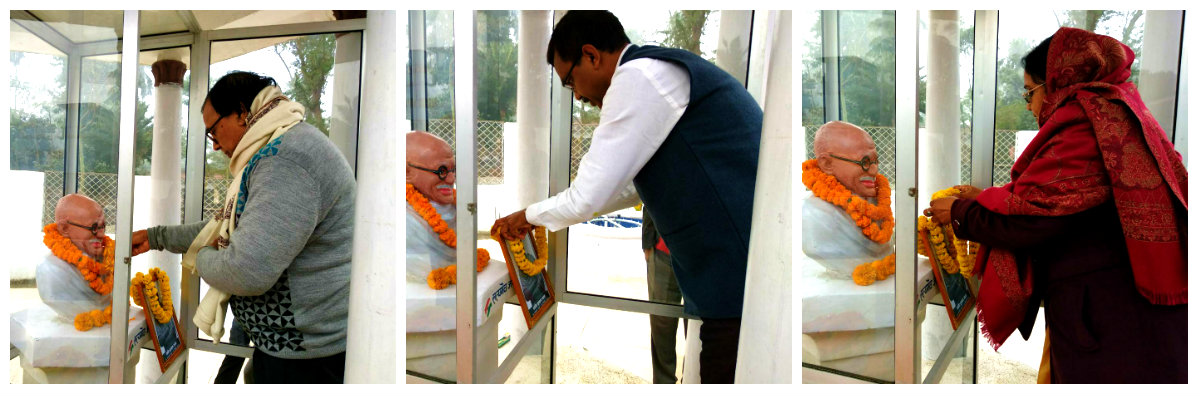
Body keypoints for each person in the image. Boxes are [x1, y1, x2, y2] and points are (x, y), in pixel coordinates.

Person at [491, 10, 762, 383]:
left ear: (591, 55)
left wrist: (526, 216)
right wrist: (544, 214)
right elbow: (624, 188)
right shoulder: (653, 72)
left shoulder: (638, 77)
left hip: (736, 266)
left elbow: (587, 196)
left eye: (570, 82)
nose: (579, 96)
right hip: (730, 267)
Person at [925, 27, 1187, 383]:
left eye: (1029, 92)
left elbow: (1036, 220)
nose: (1029, 105)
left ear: (1057, 82)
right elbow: (1060, 196)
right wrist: (985, 198)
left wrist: (960, 214)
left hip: (1106, 315)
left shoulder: (1084, 123)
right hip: (1137, 308)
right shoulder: (1120, 111)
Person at [131, 71, 356, 384]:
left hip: (304, 359)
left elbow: (245, 272)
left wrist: (201, 256)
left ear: (240, 112)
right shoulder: (277, 146)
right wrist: (157, 237)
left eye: (213, 131)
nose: (214, 146)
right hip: (287, 347)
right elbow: (222, 227)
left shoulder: (286, 159)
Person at [800, 121, 894, 284]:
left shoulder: (876, 203)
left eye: (875, 161)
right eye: (864, 162)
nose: (874, 170)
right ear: (827, 164)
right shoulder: (815, 215)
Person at [37, 194, 113, 326]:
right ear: (64, 228)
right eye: (94, 228)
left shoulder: (107, 258)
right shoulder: (51, 269)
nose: (101, 234)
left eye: (103, 227)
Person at [641, 208, 685, 384]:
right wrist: (647, 242)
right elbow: (649, 197)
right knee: (661, 328)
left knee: (699, 332)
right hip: (662, 252)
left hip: (703, 257)